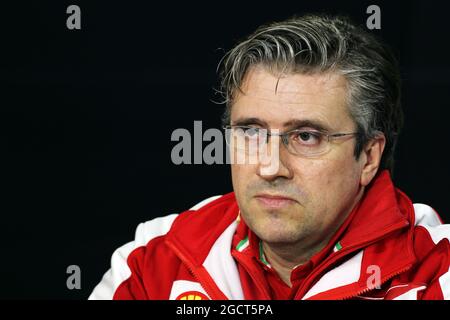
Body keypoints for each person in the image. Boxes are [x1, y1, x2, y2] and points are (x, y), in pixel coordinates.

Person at [89, 14, 450, 300]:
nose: (270, 167)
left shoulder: (437, 271)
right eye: (250, 132)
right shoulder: (154, 259)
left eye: (307, 137)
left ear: (369, 156)